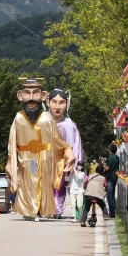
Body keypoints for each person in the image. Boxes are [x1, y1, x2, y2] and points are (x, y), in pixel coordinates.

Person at [6, 77, 75, 221]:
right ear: (20, 95)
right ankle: (28, 210)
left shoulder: (47, 118)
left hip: (44, 159)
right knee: (27, 184)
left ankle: (39, 210)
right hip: (25, 159)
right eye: (27, 93)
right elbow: (12, 143)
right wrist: (10, 161)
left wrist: (68, 151)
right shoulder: (18, 118)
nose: (31, 98)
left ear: (43, 97)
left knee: (42, 184)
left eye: (36, 94)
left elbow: (58, 140)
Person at [46, 77, 84, 219]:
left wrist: (77, 163)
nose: (57, 106)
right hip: (47, 160)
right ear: (47, 102)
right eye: (54, 102)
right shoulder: (43, 123)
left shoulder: (70, 125)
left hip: (64, 162)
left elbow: (77, 145)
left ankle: (58, 209)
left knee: (60, 186)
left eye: (61, 103)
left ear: (67, 103)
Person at [103, 144, 119, 218]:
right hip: (115, 177)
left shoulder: (110, 158)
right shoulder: (116, 157)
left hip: (110, 178)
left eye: (108, 149)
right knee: (112, 195)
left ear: (110, 149)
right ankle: (113, 210)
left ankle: (112, 213)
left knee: (109, 196)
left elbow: (107, 169)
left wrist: (103, 164)